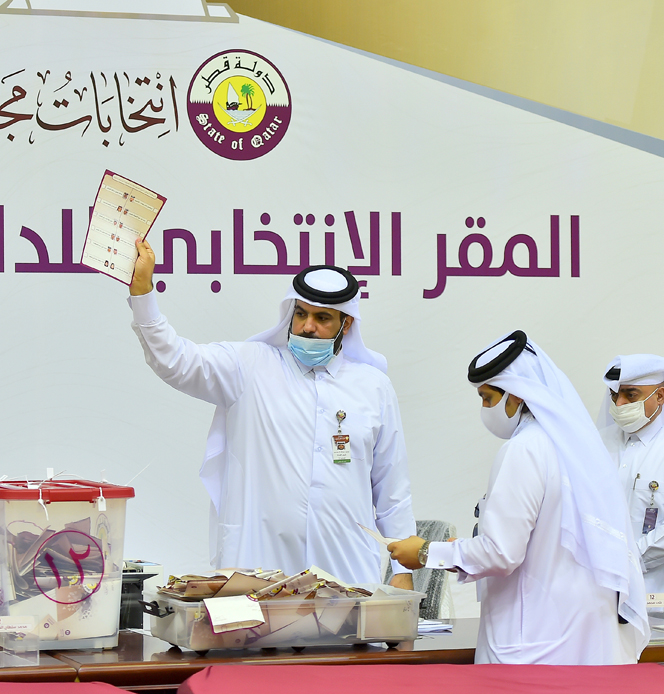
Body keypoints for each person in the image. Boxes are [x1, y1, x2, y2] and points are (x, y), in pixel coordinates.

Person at [126, 239, 415, 587]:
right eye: (301, 314)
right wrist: (142, 293)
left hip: (346, 569)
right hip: (257, 567)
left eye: (322, 318)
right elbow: (174, 360)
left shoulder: (374, 386)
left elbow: (392, 488)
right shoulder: (249, 366)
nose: (308, 326)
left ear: (346, 324)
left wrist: (403, 571)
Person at [388, 331, 649, 664]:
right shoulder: (575, 447)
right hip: (579, 637)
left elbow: (501, 553)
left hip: (533, 645)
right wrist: (464, 550)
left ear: (515, 396)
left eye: (487, 398)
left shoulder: (524, 449)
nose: (484, 409)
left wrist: (426, 552)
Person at [598, 355, 664, 594]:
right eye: (614, 395)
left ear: (660, 396)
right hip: (600, 590)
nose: (620, 404)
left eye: (631, 395)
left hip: (655, 594)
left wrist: (626, 560)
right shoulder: (598, 443)